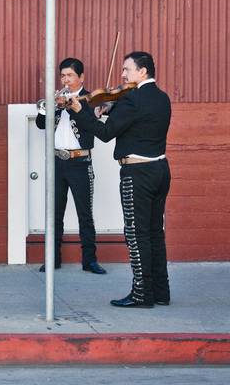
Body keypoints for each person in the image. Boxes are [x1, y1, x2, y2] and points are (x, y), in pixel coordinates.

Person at [67, 51, 171, 308]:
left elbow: (104, 133)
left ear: (142, 71)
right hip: (160, 169)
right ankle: (160, 292)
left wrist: (81, 111)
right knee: (155, 232)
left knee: (136, 234)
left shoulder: (132, 100)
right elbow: (139, 121)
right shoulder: (161, 97)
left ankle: (141, 295)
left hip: (137, 174)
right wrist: (113, 107)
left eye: (127, 70)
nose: (122, 75)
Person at [35, 58, 106, 274]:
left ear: (81, 77)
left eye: (70, 75)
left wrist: (75, 107)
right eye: (63, 75)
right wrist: (52, 107)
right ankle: (53, 258)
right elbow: (40, 124)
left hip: (80, 162)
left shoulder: (91, 100)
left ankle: (90, 260)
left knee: (85, 213)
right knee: (54, 213)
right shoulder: (56, 100)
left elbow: (91, 127)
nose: (66, 79)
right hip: (57, 161)